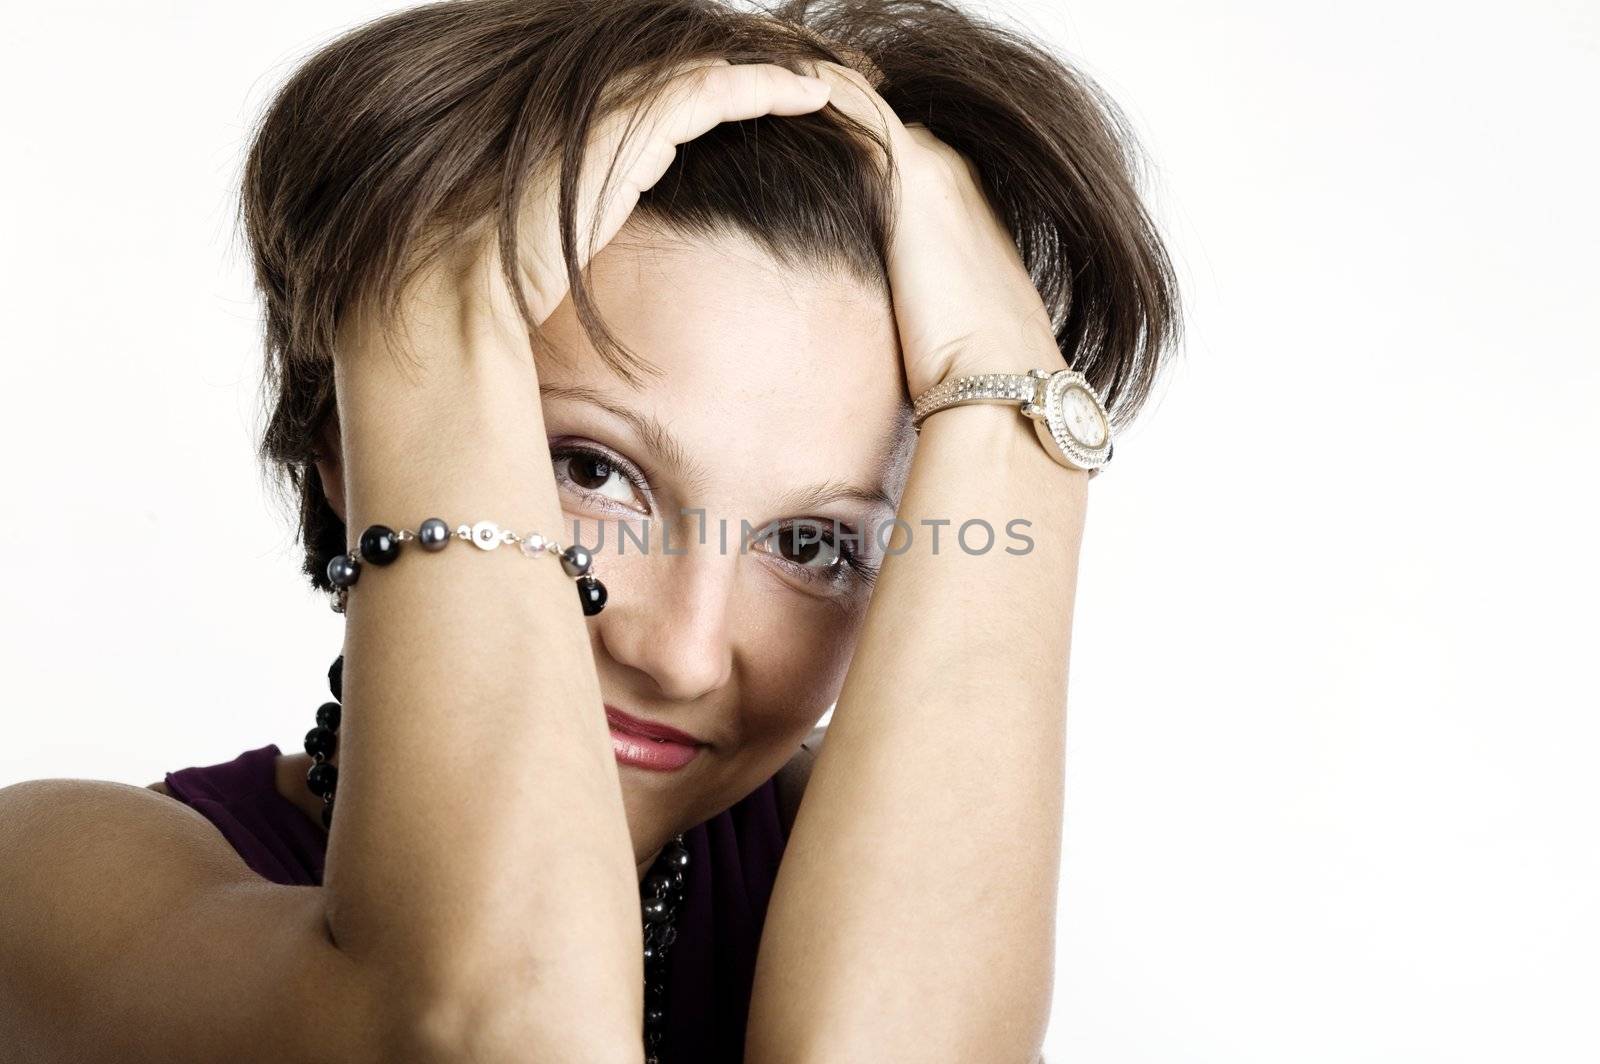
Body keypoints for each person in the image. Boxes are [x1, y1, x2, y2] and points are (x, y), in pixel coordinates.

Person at [0, 1, 1180, 1061]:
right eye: (591, 468)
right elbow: (501, 1028)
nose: (684, 650)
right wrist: (425, 304)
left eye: (815, 544)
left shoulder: (863, 849)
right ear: (358, 439)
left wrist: (1020, 423)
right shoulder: (59, 879)